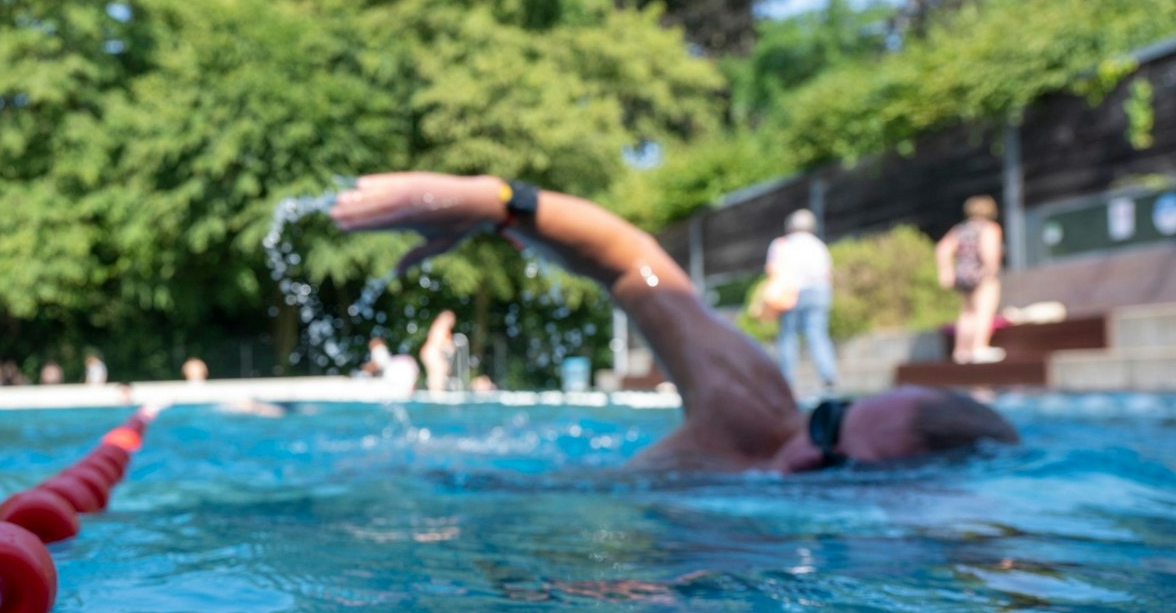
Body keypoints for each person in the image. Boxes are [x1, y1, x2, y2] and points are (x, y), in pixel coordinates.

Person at [329, 173, 1018, 472]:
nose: (807, 451)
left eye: (833, 466)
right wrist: (498, 200)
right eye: (826, 421)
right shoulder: (755, 408)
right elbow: (633, 263)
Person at [764, 209, 838, 392]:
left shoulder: (782, 245)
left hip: (792, 293)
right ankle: (828, 375)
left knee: (788, 335)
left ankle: (786, 381)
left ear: (790, 226)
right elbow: (828, 273)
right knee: (817, 334)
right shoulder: (818, 246)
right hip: (819, 292)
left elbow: (772, 269)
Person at [937, 197, 1006, 364]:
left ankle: (961, 351)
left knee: (967, 313)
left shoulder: (960, 229)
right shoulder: (989, 228)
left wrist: (946, 271)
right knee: (984, 311)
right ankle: (979, 347)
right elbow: (989, 251)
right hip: (981, 274)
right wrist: (991, 271)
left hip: (963, 275)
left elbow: (942, 248)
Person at [421, 310, 458, 392]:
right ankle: (437, 392)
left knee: (437, 373)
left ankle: (436, 391)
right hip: (432, 352)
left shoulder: (439, 326)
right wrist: (449, 346)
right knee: (438, 373)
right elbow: (438, 342)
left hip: (432, 352)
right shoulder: (441, 327)